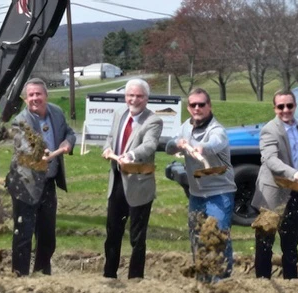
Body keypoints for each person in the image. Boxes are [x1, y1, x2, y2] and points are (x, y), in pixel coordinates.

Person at [6, 78, 75, 276]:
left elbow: (69, 133)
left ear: (46, 95)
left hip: (48, 183)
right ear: (26, 99)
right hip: (25, 183)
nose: (35, 98)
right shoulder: (20, 121)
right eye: (31, 95)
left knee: (47, 236)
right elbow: (24, 145)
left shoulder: (57, 113)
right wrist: (39, 153)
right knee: (24, 233)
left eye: (38, 94)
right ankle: (20, 275)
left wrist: (67, 143)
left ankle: (42, 272)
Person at [166, 88, 236, 282]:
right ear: (188, 108)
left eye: (201, 104)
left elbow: (215, 143)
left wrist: (202, 147)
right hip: (197, 193)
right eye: (193, 105)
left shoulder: (217, 130)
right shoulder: (185, 127)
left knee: (217, 235)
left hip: (220, 192)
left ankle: (223, 280)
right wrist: (177, 143)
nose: (197, 108)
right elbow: (168, 147)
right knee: (197, 235)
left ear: (209, 106)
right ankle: (202, 276)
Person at [101, 79, 162, 279]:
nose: (134, 100)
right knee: (113, 232)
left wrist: (131, 155)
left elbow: (150, 145)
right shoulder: (120, 113)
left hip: (138, 184)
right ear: (125, 97)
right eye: (130, 95)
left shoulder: (153, 121)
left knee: (137, 236)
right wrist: (107, 149)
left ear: (146, 98)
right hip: (117, 181)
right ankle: (109, 274)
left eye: (139, 96)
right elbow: (110, 138)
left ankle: (135, 279)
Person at [251, 90, 298, 280]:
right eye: (281, 106)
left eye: (289, 106)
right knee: (265, 242)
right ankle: (262, 282)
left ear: (295, 106)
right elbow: (270, 159)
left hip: (294, 191)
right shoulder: (269, 130)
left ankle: (292, 281)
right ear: (275, 108)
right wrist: (293, 173)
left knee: (290, 243)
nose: (285, 110)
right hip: (272, 194)